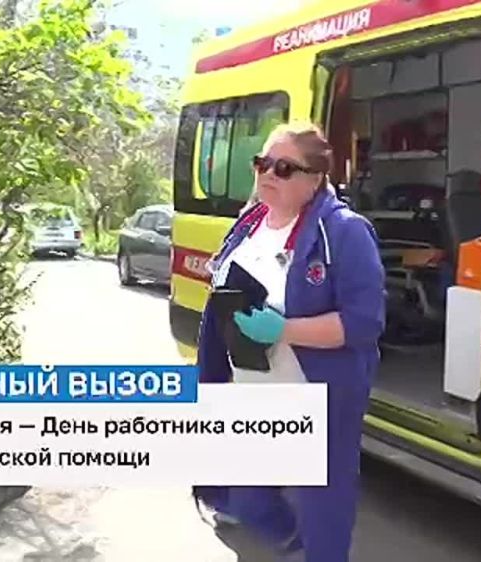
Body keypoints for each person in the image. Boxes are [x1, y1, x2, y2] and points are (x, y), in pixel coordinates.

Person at [193, 122, 386, 562]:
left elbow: (363, 324)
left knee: (324, 511)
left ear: (314, 179)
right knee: (245, 499)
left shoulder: (345, 232)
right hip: (252, 389)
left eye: (283, 168)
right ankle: (291, 543)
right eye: (262, 163)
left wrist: (284, 330)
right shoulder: (249, 222)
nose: (267, 174)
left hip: (316, 394)